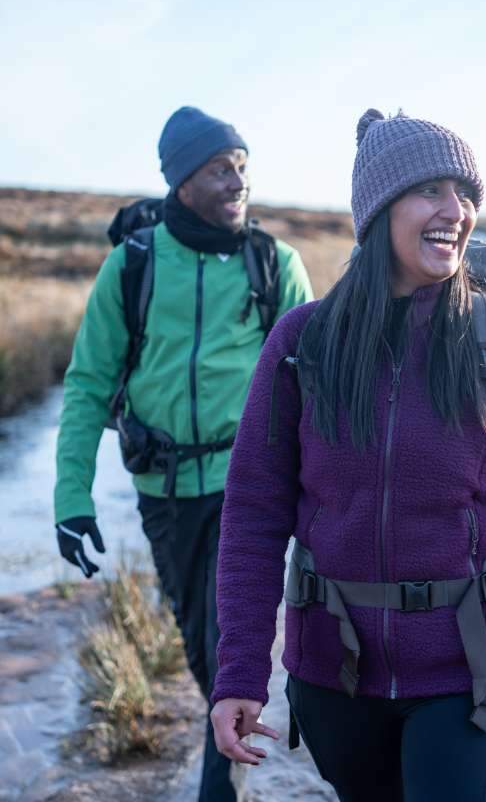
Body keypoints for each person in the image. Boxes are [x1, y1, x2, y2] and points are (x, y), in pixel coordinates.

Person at [209, 108, 486, 802]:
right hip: (334, 674)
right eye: (430, 190)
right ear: (379, 209)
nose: (457, 211)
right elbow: (254, 518)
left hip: (471, 677)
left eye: (465, 194)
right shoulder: (303, 344)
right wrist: (240, 672)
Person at [54, 106, 314, 801]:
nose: (237, 180)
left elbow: (315, 390)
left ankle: (220, 790)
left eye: (242, 166)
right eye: (219, 168)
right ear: (182, 182)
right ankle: (230, 758)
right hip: (164, 495)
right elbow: (86, 384)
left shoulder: (275, 265)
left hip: (249, 491)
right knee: (204, 657)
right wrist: (72, 498)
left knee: (230, 654)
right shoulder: (133, 266)